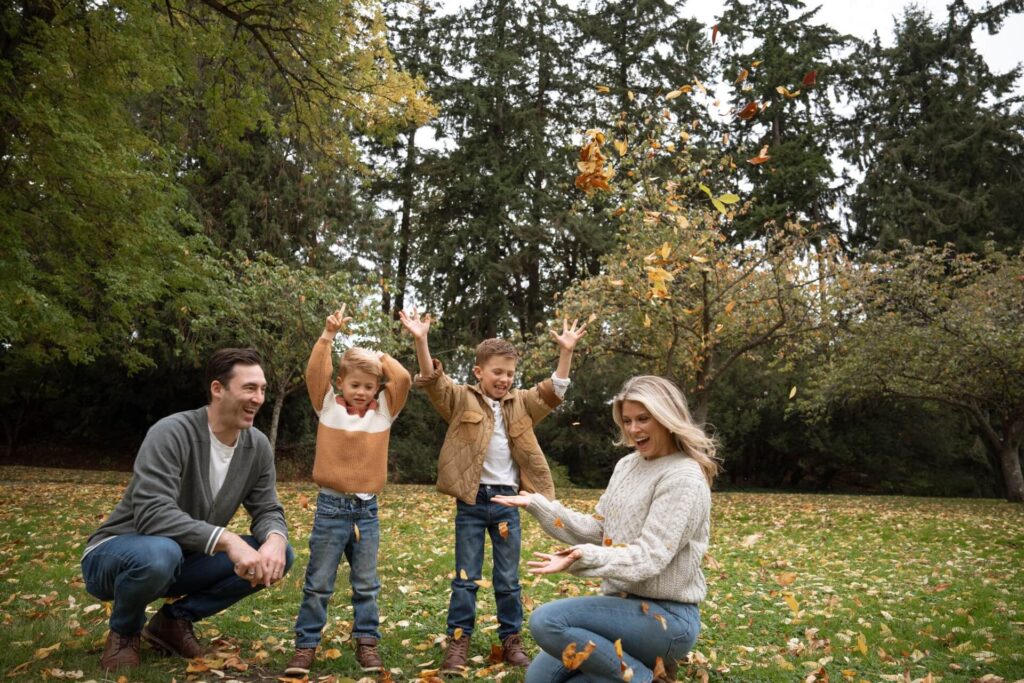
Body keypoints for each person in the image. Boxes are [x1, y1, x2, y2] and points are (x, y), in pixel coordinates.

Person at [493, 375, 719, 683]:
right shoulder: (627, 466)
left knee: (548, 622)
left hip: (667, 619)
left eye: (643, 418)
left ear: (667, 417)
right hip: (620, 608)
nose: (633, 429)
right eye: (627, 420)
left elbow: (650, 556)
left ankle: (645, 678)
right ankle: (643, 669)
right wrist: (539, 505)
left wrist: (582, 556)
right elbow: (599, 529)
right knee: (540, 679)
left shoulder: (684, 477)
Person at [81, 348, 293, 671]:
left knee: (281, 553)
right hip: (115, 556)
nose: (259, 398)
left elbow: (266, 508)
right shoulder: (172, 433)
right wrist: (229, 541)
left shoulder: (257, 446)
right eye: (249, 388)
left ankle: (173, 623)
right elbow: (152, 513)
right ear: (217, 389)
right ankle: (124, 632)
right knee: (160, 553)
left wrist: (276, 537)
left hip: (182, 558)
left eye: (263, 389)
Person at [399, 309, 586, 675]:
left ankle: (511, 640)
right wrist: (421, 340)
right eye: (497, 372)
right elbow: (432, 381)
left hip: (506, 503)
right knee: (465, 578)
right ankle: (458, 643)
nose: (504, 379)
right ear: (479, 372)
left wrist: (566, 352)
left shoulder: (522, 404)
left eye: (510, 374)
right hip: (471, 501)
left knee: (507, 579)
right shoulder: (461, 400)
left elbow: (555, 390)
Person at [285, 306, 412, 677]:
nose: (361, 392)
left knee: (367, 584)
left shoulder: (384, 411)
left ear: (377, 389)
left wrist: (378, 356)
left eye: (369, 386)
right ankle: (306, 645)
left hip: (367, 512)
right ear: (341, 382)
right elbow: (314, 372)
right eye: (355, 384)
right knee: (318, 583)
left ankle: (367, 642)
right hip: (330, 508)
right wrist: (327, 336)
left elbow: (402, 379)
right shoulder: (326, 405)